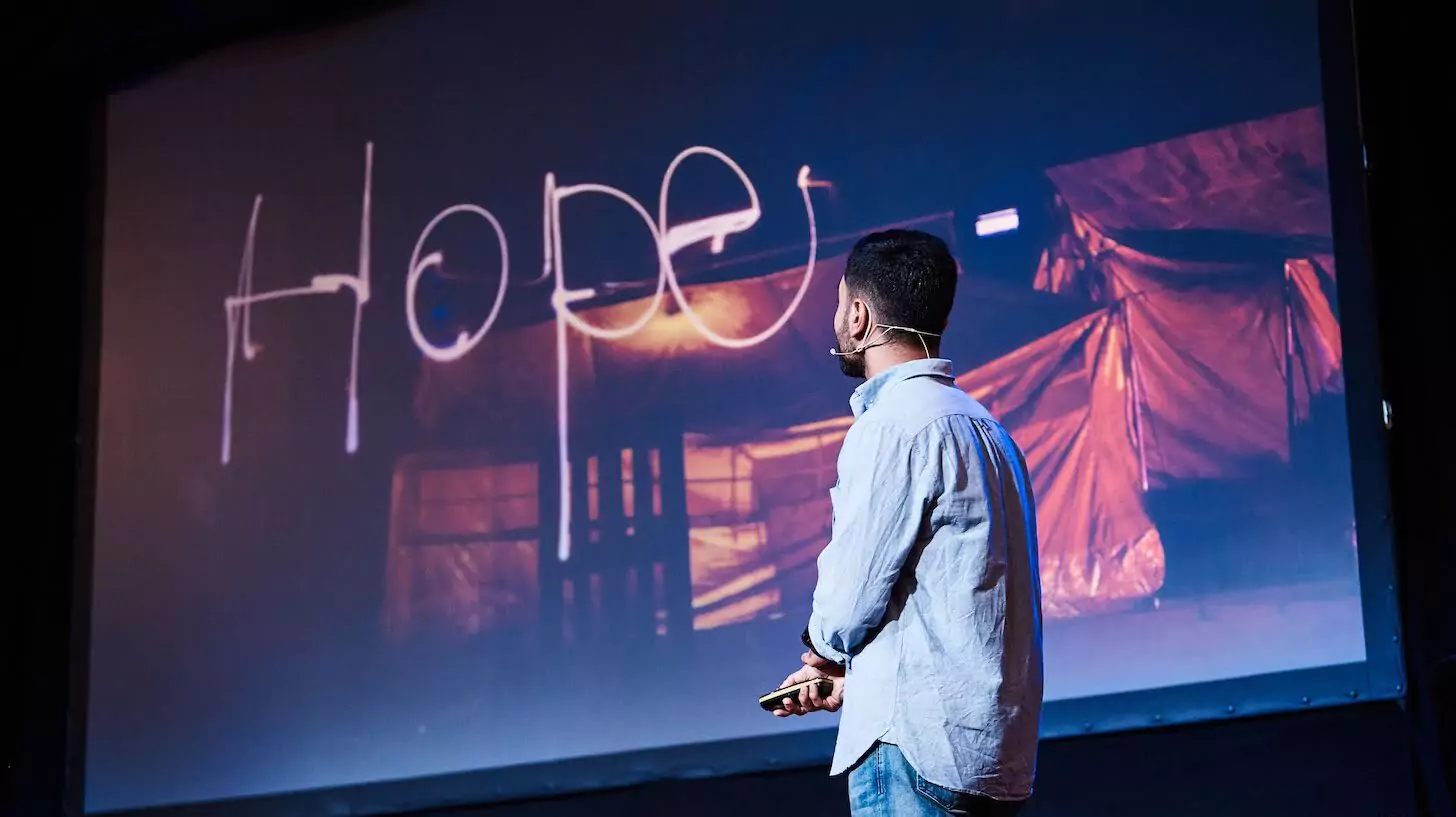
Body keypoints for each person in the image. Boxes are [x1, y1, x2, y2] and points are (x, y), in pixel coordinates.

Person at [771, 230, 1043, 816]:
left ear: (860, 314)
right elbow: (958, 597)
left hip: (916, 754)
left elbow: (851, 593)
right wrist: (855, 681)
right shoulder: (988, 429)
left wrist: (819, 654)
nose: (837, 317)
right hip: (987, 756)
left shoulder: (894, 426)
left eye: (840, 303)